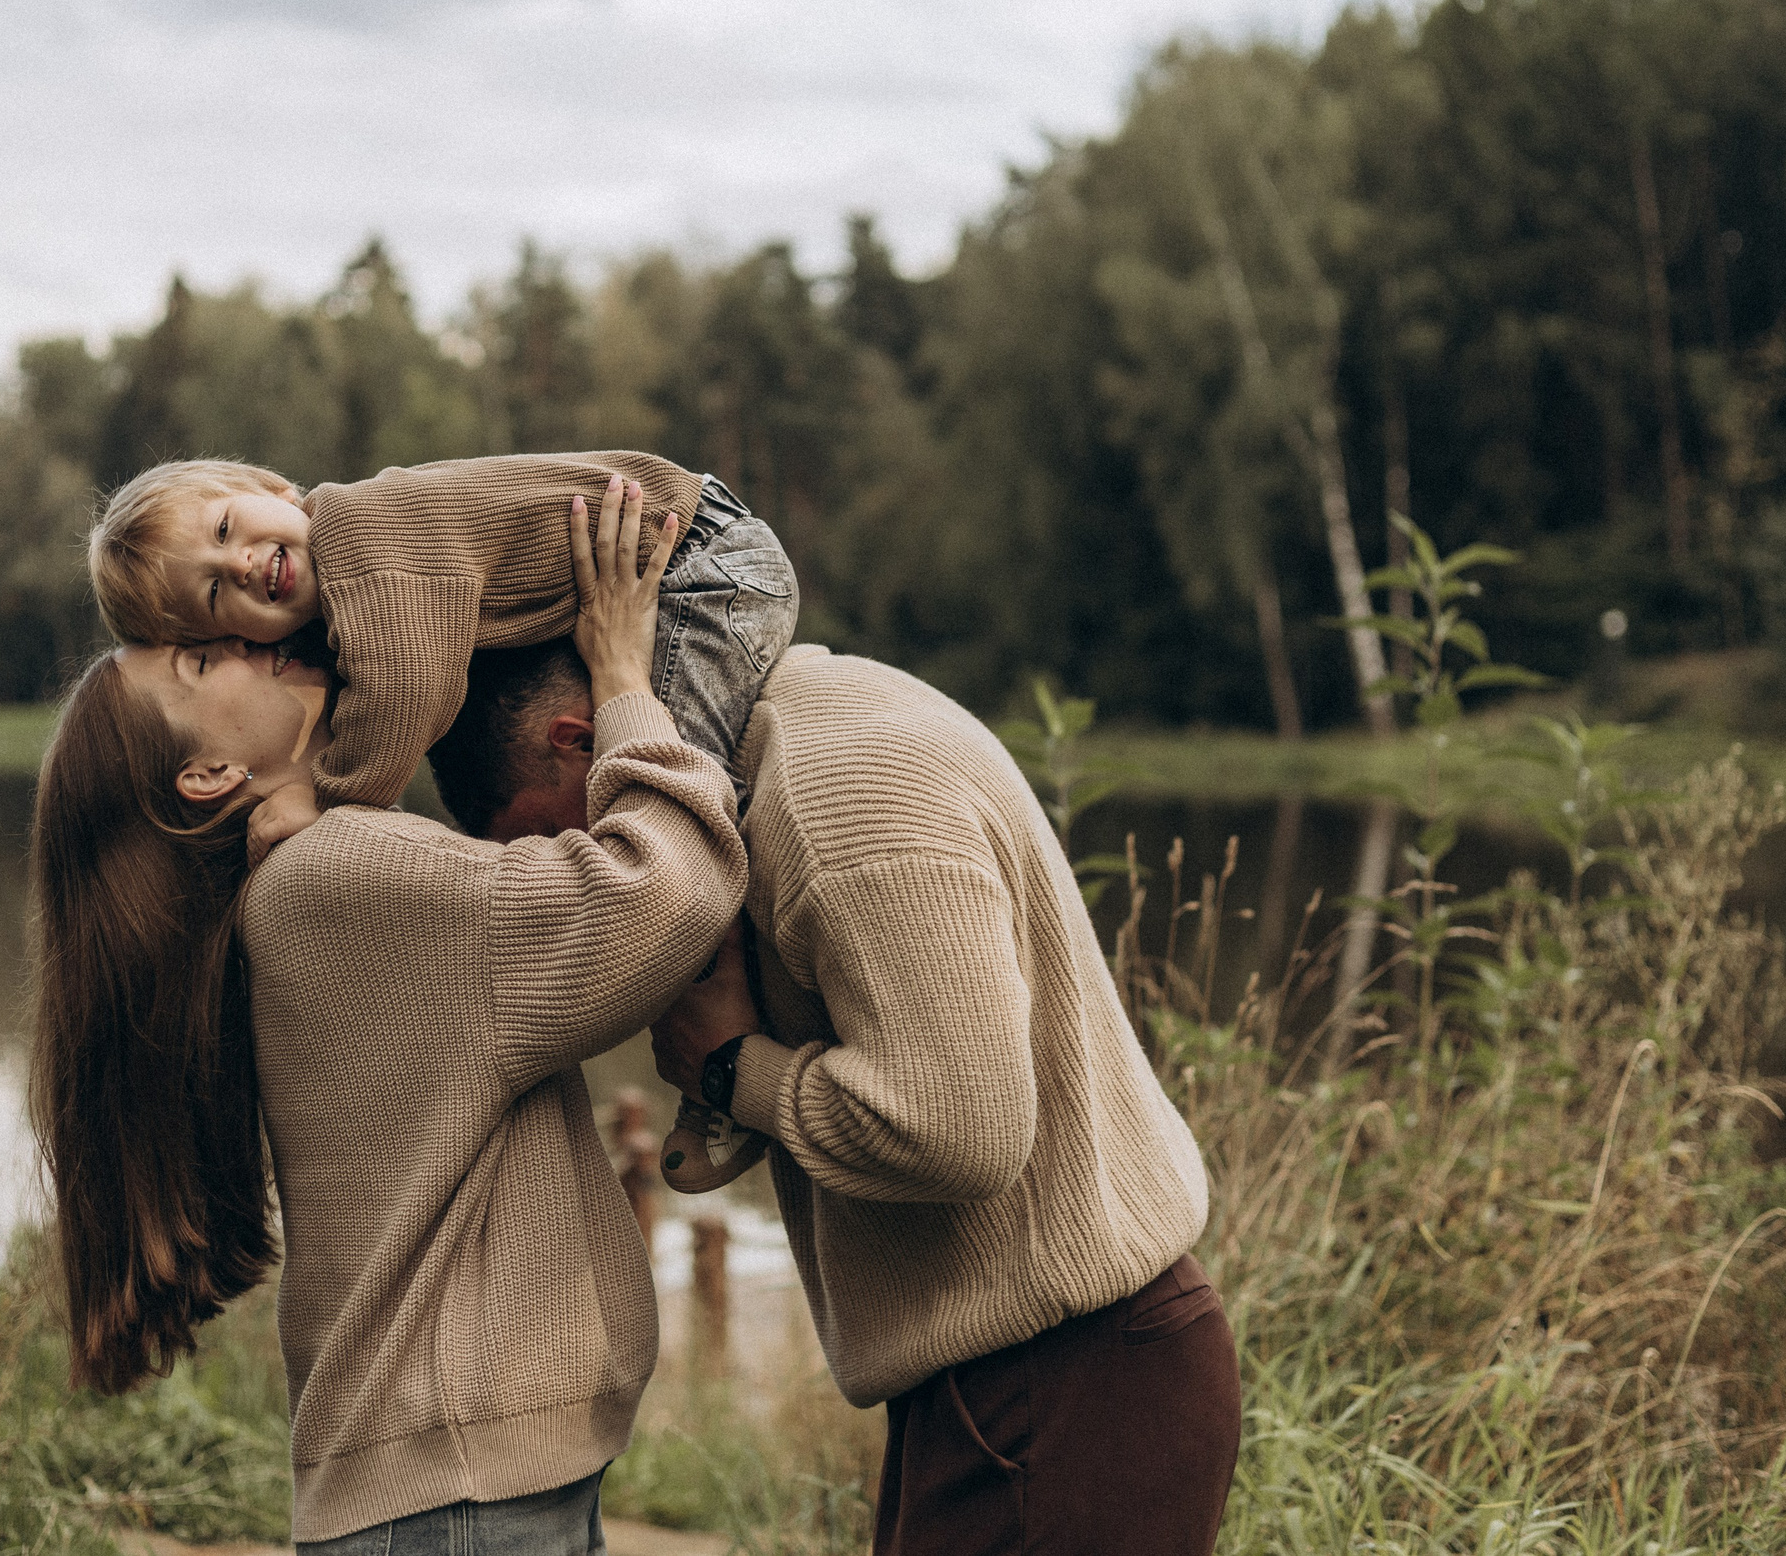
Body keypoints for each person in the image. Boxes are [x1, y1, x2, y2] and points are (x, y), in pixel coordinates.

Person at [27, 479, 747, 1551]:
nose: (236, 635)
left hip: (458, 1488)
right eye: (199, 657)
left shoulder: (296, 880)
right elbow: (662, 897)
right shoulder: (333, 877)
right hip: (461, 1500)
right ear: (210, 770)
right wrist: (625, 676)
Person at [430, 639, 1242, 1556]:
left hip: (1063, 1385)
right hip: (1020, 1379)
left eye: (559, 840)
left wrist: (736, 1066)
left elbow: (963, 1128)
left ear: (579, 743)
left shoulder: (830, 790)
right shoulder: (780, 749)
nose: (589, 873)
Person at [87, 449, 797, 1187]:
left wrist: (324, 794)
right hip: (694, 552)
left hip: (702, 566)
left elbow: (411, 690)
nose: (238, 564)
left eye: (228, 526)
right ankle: (730, 1047)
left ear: (272, 488)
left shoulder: (363, 536)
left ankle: (729, 1046)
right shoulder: (349, 591)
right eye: (211, 597)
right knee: (668, 795)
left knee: (688, 792)